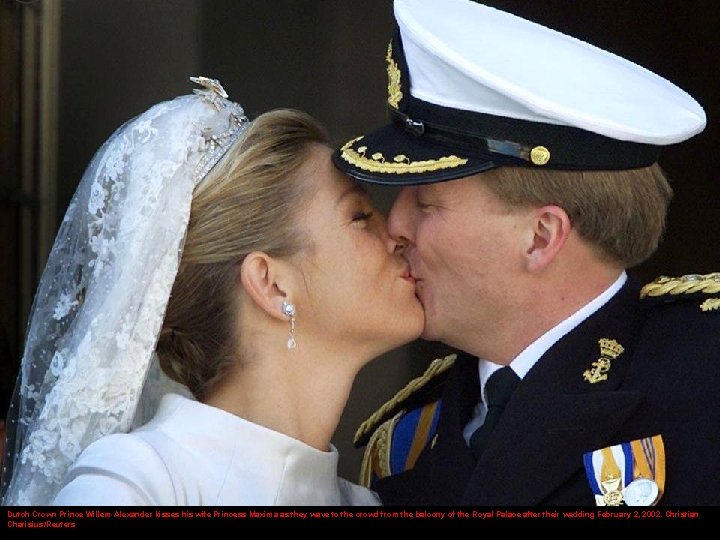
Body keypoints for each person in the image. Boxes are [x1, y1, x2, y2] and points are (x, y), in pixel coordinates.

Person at [333, 0, 720, 506]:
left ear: (541, 236)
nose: (396, 227)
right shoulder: (405, 437)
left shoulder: (705, 377)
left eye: (427, 203)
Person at [0, 76, 423, 506]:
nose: (397, 234)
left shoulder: (366, 503)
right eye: (359, 215)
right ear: (271, 283)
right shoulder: (133, 484)